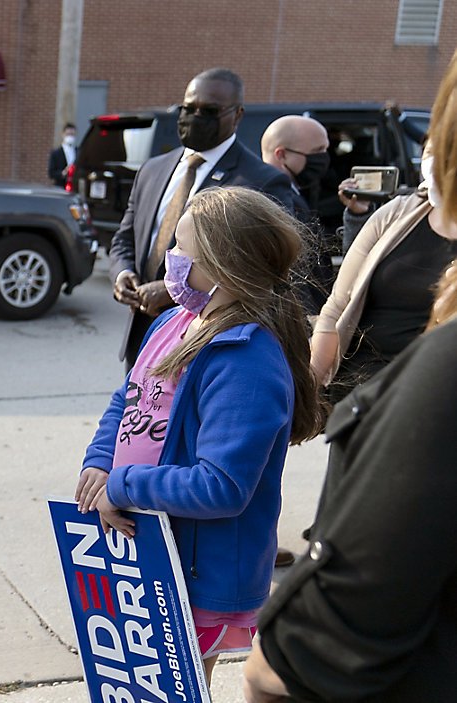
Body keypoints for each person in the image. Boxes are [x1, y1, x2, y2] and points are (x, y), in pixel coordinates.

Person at [243, 53, 457, 703]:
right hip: (379, 395)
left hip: (423, 406)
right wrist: (309, 389)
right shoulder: (399, 218)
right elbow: (335, 308)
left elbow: (304, 657)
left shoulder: (445, 374)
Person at [77, 186, 325, 687]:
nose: (169, 258)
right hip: (153, 546)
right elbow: (128, 398)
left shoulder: (246, 359)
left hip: (199, 572)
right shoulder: (174, 321)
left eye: (180, 249)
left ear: (223, 262)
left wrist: (122, 486)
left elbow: (222, 486)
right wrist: (101, 461)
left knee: (177, 687)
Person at [109, 68, 296, 370]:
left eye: (208, 111)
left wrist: (173, 290)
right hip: (142, 337)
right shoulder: (152, 170)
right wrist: (122, 274)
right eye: (188, 108)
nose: (195, 116)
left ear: (237, 115)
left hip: (206, 342)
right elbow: (125, 237)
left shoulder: (260, 181)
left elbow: (261, 270)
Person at [309, 140, 457, 404]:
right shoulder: (397, 213)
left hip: (432, 400)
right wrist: (309, 390)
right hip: (360, 393)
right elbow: (336, 308)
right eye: (430, 150)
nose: (435, 160)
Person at [260, 114, 336, 316]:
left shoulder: (296, 190)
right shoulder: (269, 200)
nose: (323, 158)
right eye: (316, 151)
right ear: (281, 155)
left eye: (325, 149)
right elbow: (293, 269)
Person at [48, 122, 77, 187]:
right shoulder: (56, 153)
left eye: (72, 134)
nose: (70, 137)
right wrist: (63, 173)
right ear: (63, 134)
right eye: (68, 134)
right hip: (60, 186)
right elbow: (51, 173)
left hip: (74, 186)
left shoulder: (78, 151)